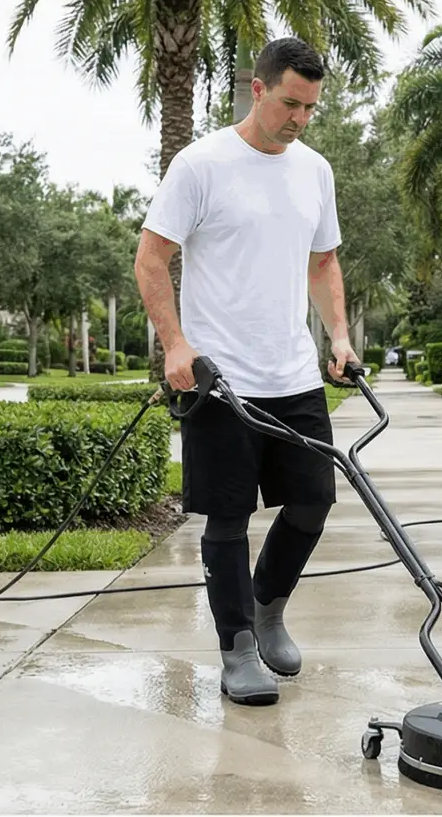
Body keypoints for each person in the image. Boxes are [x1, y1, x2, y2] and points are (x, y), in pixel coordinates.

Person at [132, 37, 356, 706]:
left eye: (311, 107)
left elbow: (323, 263)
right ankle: (236, 651)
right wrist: (175, 346)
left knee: (313, 503)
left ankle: (267, 608)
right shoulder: (201, 164)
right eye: (290, 103)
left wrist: (339, 336)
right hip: (220, 379)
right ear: (257, 89)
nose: (300, 119)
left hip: (293, 374)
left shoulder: (314, 171)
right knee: (227, 517)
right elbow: (152, 258)